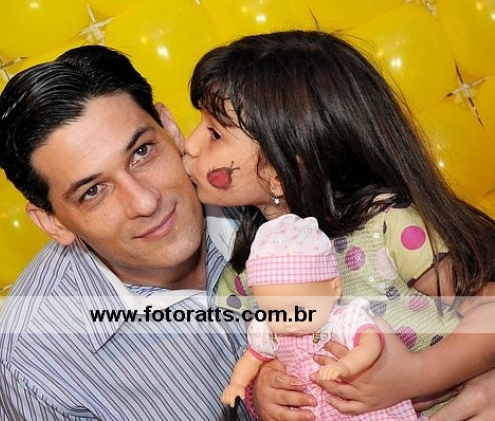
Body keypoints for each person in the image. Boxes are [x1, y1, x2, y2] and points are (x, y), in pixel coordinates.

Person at [183, 30, 495, 420]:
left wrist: (416, 375)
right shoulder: (244, 277)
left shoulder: (386, 226)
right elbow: (263, 352)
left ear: (282, 169)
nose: (190, 145)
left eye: (215, 133)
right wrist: (262, 393)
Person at [0, 45, 253, 420]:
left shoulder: (266, 178)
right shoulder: (33, 361)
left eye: (141, 152)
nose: (144, 202)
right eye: (93, 191)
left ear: (170, 128)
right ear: (53, 223)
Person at [221, 214, 424, 420]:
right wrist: (237, 383)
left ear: (334, 289)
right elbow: (252, 357)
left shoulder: (340, 320)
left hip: (355, 408)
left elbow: (371, 342)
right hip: (312, 410)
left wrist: (346, 366)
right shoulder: (268, 332)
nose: (287, 320)